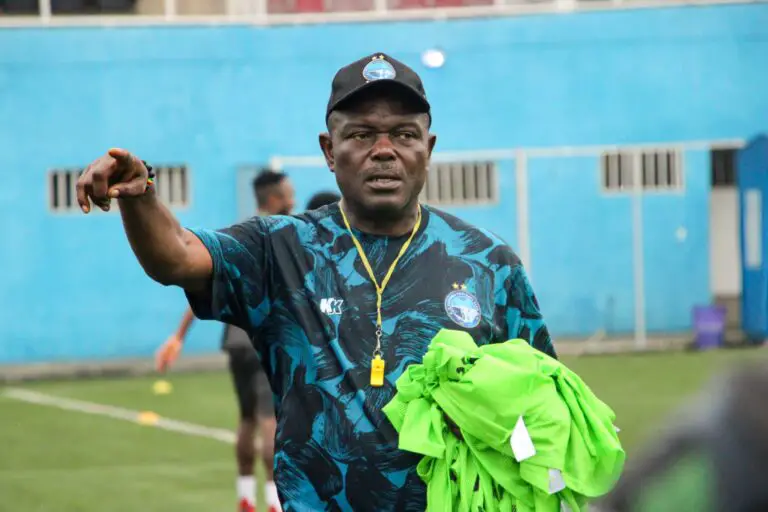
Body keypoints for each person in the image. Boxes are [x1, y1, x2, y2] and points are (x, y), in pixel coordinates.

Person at [75, 52, 556, 511]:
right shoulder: (280, 248)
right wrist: (140, 195)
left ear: (427, 149)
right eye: (361, 135)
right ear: (329, 150)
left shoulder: (488, 262)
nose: (384, 150)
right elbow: (177, 257)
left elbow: (544, 407)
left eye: (404, 134)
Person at [155, 169, 295, 512]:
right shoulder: (284, 236)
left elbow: (201, 280)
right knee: (270, 420)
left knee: (247, 418)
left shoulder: (240, 236)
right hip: (263, 338)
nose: (293, 199)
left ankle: (245, 496)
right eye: (289, 194)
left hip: (235, 340)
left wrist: (178, 336)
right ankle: (274, 502)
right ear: (274, 198)